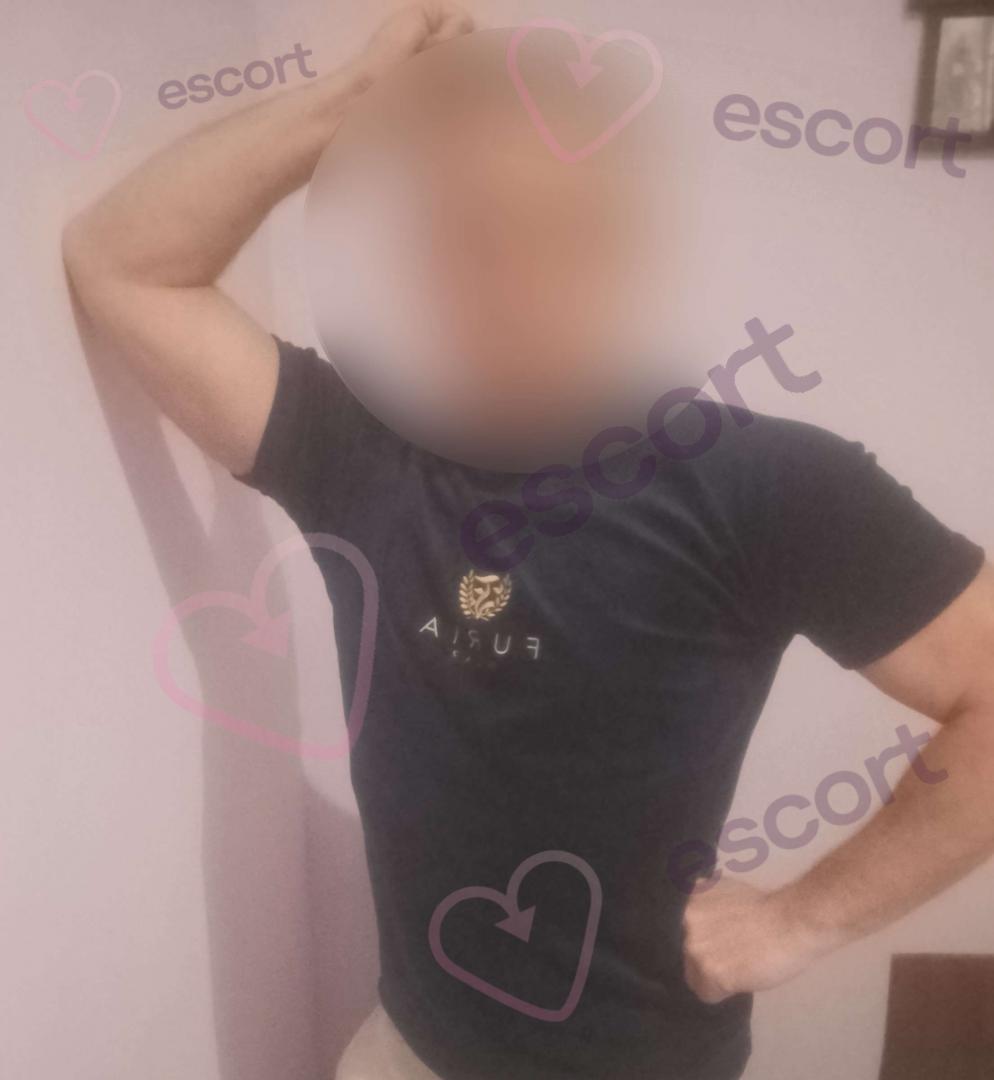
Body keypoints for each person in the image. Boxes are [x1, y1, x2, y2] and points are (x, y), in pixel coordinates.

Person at [61, 4, 994, 1079]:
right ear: (420, 261)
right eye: (471, 237)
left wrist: (801, 922)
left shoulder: (765, 483)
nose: (516, 286)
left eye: (563, 233)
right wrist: (352, 105)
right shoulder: (357, 450)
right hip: (402, 1053)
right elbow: (124, 263)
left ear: (629, 251)